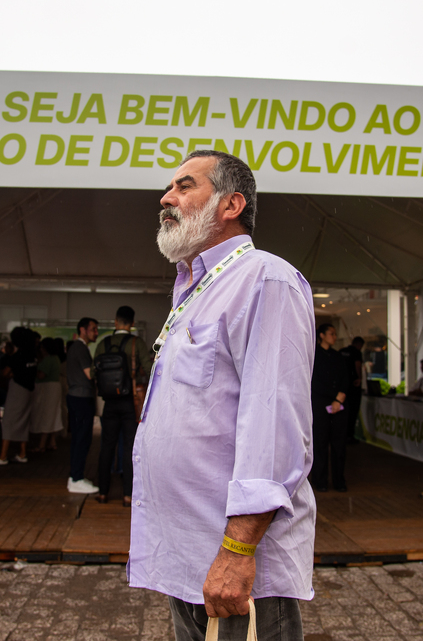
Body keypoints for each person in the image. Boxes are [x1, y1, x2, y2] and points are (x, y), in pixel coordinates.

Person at [129, 150, 315, 640]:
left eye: (184, 186)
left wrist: (236, 554)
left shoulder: (264, 279)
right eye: (170, 188)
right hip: (190, 558)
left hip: (235, 566)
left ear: (231, 204)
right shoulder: (196, 287)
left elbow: (274, 433)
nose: (166, 198)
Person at [94, 305, 150, 506]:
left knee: (106, 446)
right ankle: (128, 495)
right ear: (132, 324)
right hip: (130, 402)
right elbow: (149, 369)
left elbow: (95, 373)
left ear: (116, 322)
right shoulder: (137, 343)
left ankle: (102, 493)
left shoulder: (103, 343)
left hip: (109, 402)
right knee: (129, 448)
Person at [0, 327, 37, 465]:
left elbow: (5, 373)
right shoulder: (32, 356)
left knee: (9, 421)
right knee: (24, 420)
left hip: (17, 390)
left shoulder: (18, 356)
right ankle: (22, 453)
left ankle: (3, 456)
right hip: (29, 390)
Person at [310, 324, 349, 492]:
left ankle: (339, 481)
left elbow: (345, 377)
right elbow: (314, 382)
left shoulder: (338, 356)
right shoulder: (314, 356)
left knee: (339, 444)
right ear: (322, 335)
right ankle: (320, 481)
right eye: (331, 333)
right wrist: (333, 397)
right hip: (320, 404)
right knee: (320, 443)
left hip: (338, 404)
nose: (334, 336)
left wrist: (339, 398)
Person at [66, 316, 100, 494]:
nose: (96, 332)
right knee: (82, 439)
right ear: (82, 330)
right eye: (93, 329)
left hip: (76, 397)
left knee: (80, 439)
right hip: (80, 398)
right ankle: (76, 478)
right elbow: (90, 374)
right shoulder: (80, 348)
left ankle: (75, 476)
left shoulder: (77, 347)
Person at [28, 337, 63, 452]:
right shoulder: (56, 358)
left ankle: (41, 445)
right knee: (53, 415)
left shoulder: (47, 360)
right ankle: (51, 442)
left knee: (45, 415)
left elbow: (41, 375)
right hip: (55, 388)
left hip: (46, 389)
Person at [337, 336, 364, 443]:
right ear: (359, 345)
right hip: (353, 386)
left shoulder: (341, 352)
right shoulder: (356, 353)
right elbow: (358, 365)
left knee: (341, 412)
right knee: (352, 411)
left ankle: (340, 435)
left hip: (341, 386)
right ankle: (349, 435)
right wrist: (359, 378)